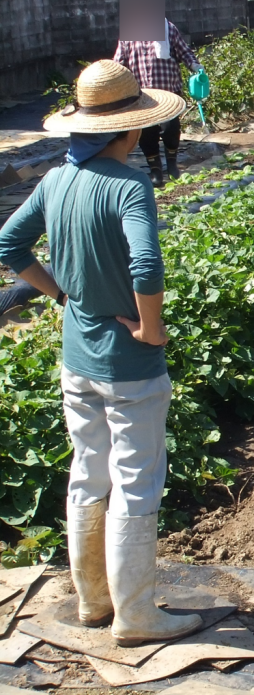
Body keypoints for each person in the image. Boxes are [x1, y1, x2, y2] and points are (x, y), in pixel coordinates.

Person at [0, 60, 203, 647]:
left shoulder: (56, 180)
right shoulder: (128, 185)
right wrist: (151, 328)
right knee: (137, 484)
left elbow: (9, 243)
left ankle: (92, 601)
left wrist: (59, 292)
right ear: (131, 129)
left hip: (77, 358)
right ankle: (136, 616)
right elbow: (145, 263)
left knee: (88, 474)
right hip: (128, 366)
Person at [114, 18, 202, 188]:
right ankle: (155, 170)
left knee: (171, 128)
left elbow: (184, 52)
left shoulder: (168, 28)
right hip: (143, 94)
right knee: (147, 134)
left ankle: (172, 165)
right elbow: (119, 60)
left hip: (168, 91)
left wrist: (195, 66)